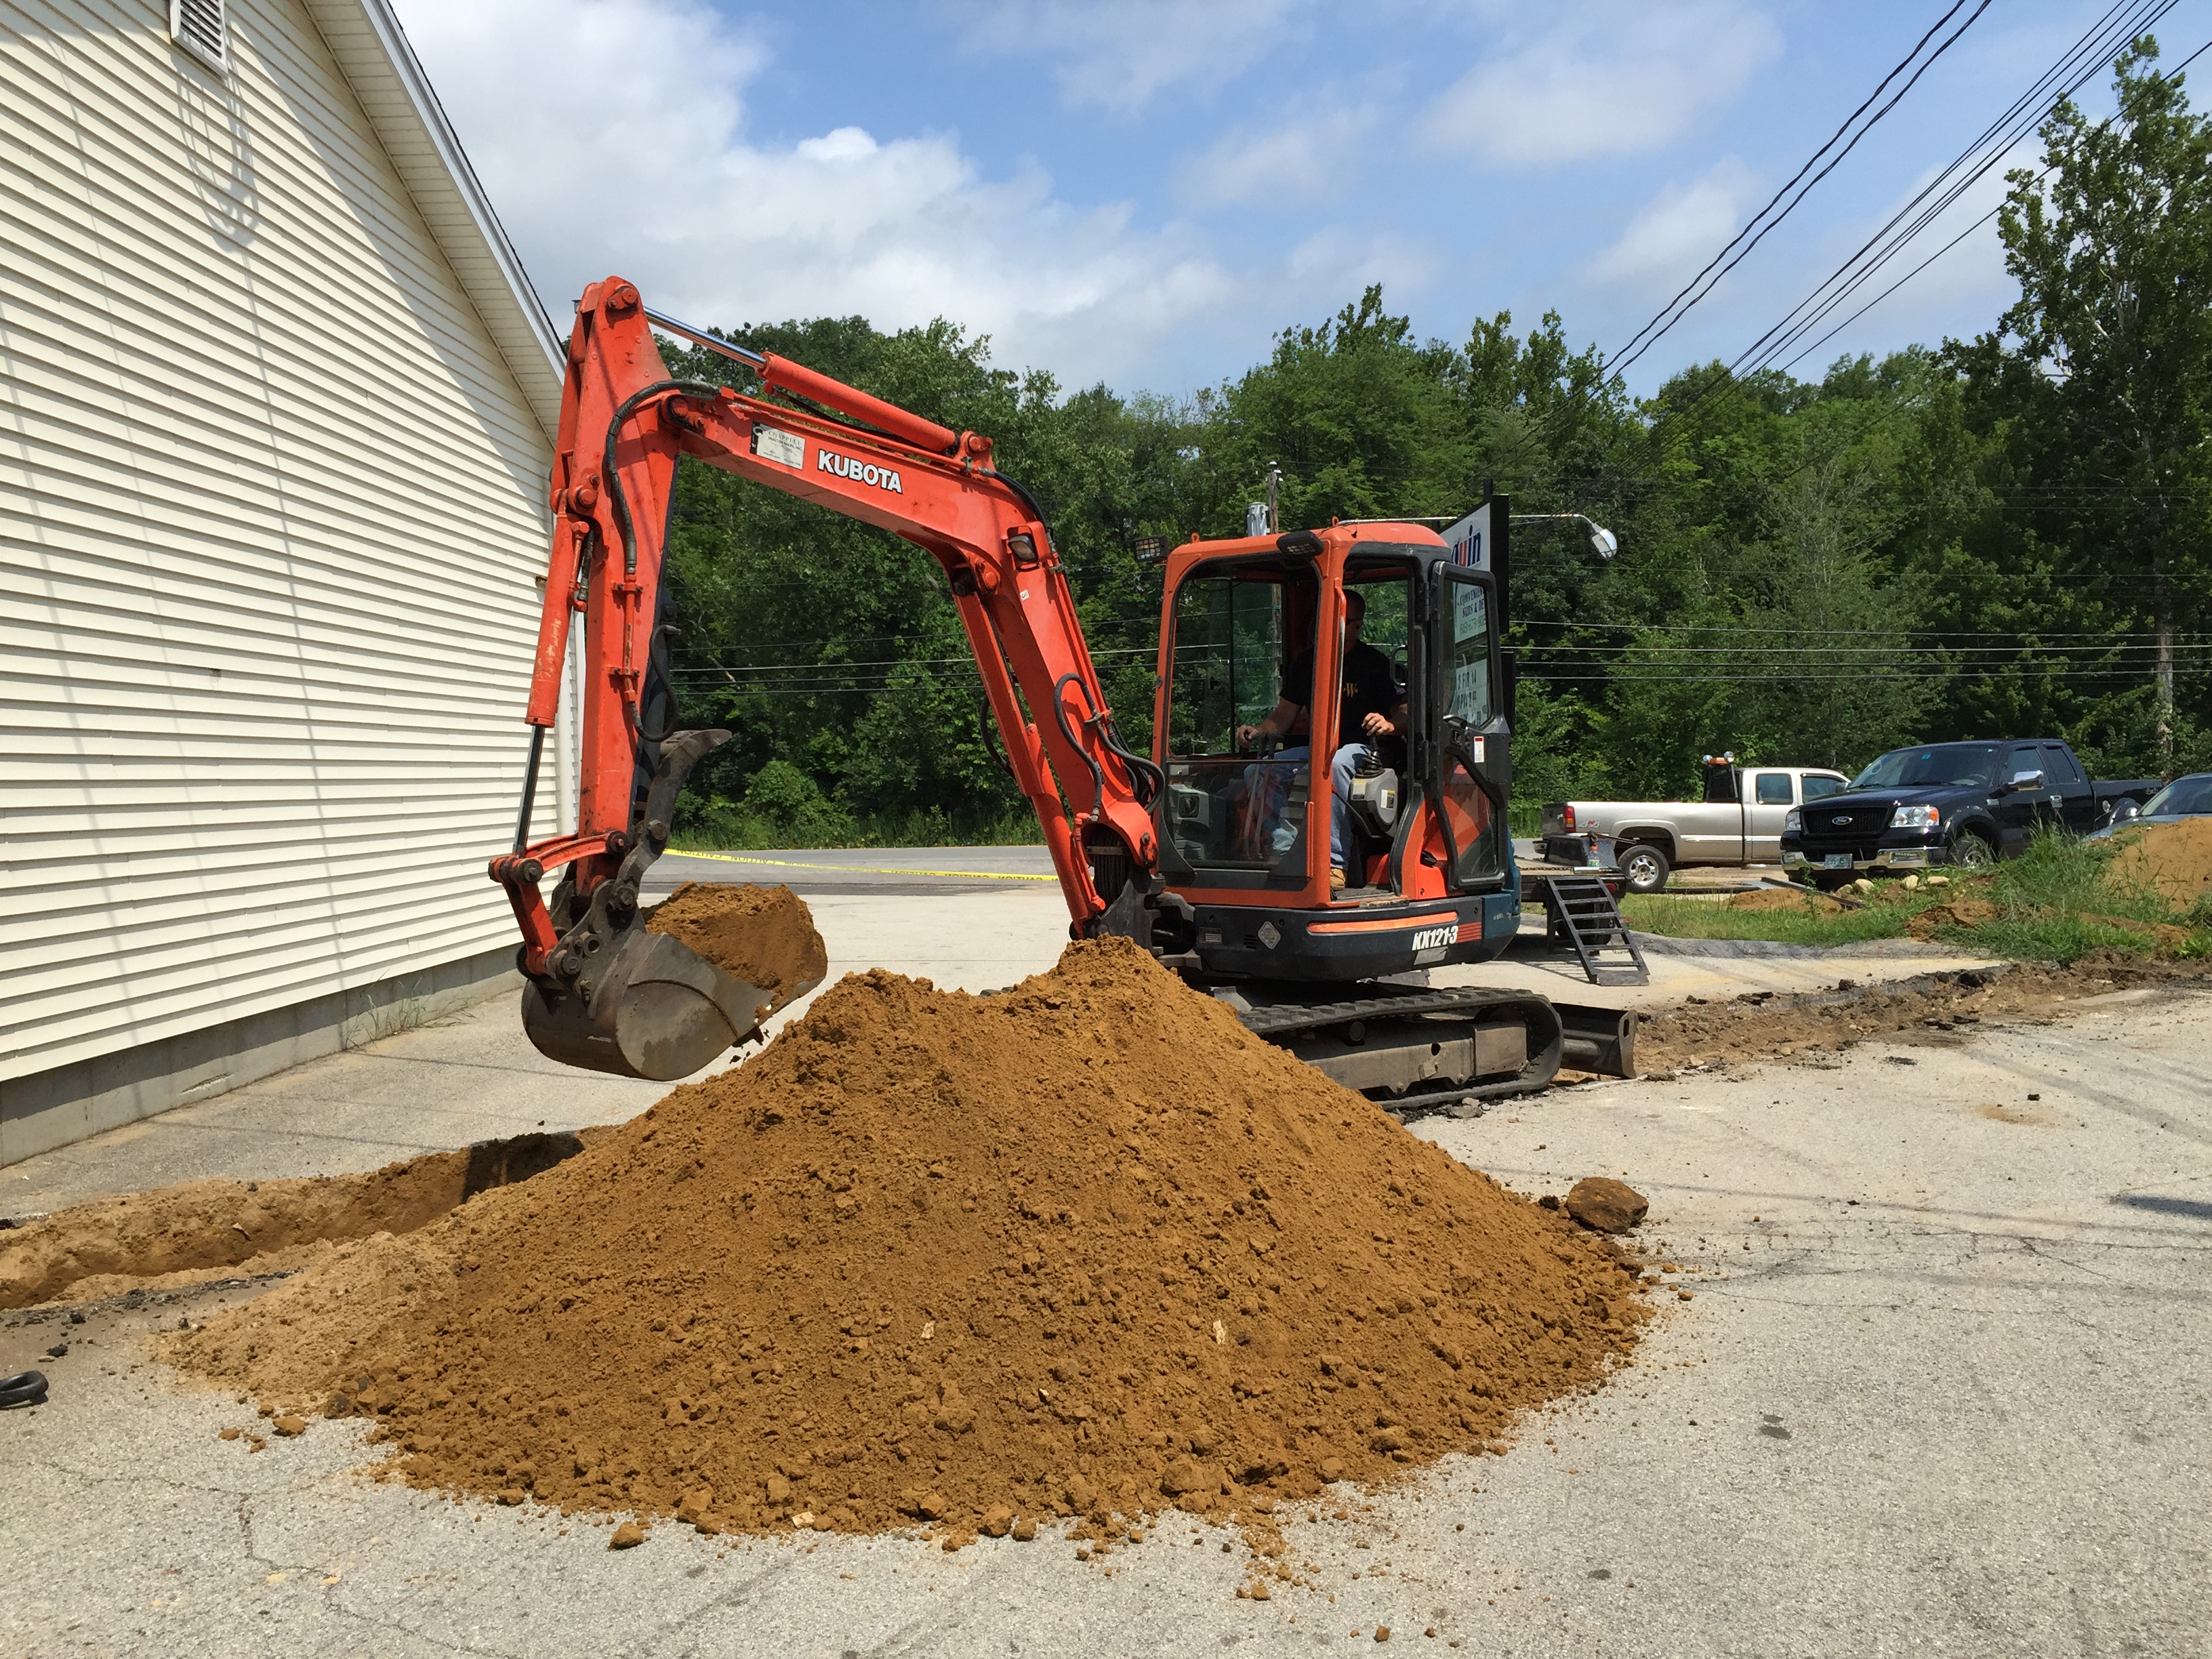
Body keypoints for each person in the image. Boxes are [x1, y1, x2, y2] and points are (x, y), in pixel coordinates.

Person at [1235, 588, 1405, 890]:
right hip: (1322, 750)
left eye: (1340, 621)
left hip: (1371, 751)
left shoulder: (1377, 665)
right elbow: (1283, 717)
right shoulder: (1306, 664)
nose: (1328, 628)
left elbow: (1406, 715)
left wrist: (1389, 724)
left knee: (1337, 762)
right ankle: (1283, 849)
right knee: (1259, 769)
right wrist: (1258, 732)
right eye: (1323, 620)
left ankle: (1333, 863)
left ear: (1357, 625)